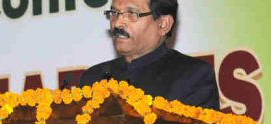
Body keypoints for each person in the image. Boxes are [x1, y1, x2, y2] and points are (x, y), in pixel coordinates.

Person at [79, 0, 220, 110]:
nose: (117, 23)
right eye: (114, 13)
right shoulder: (92, 78)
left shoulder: (192, 76)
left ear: (163, 24)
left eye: (132, 14)